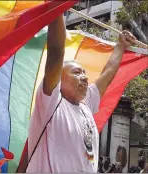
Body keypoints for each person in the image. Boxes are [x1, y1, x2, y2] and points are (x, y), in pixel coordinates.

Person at [26, 13, 137, 172]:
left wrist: (120, 45)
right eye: (76, 72)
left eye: (84, 73)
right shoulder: (50, 103)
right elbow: (56, 52)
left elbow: (108, 74)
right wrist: (57, 8)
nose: (84, 77)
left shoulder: (86, 105)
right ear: (59, 78)